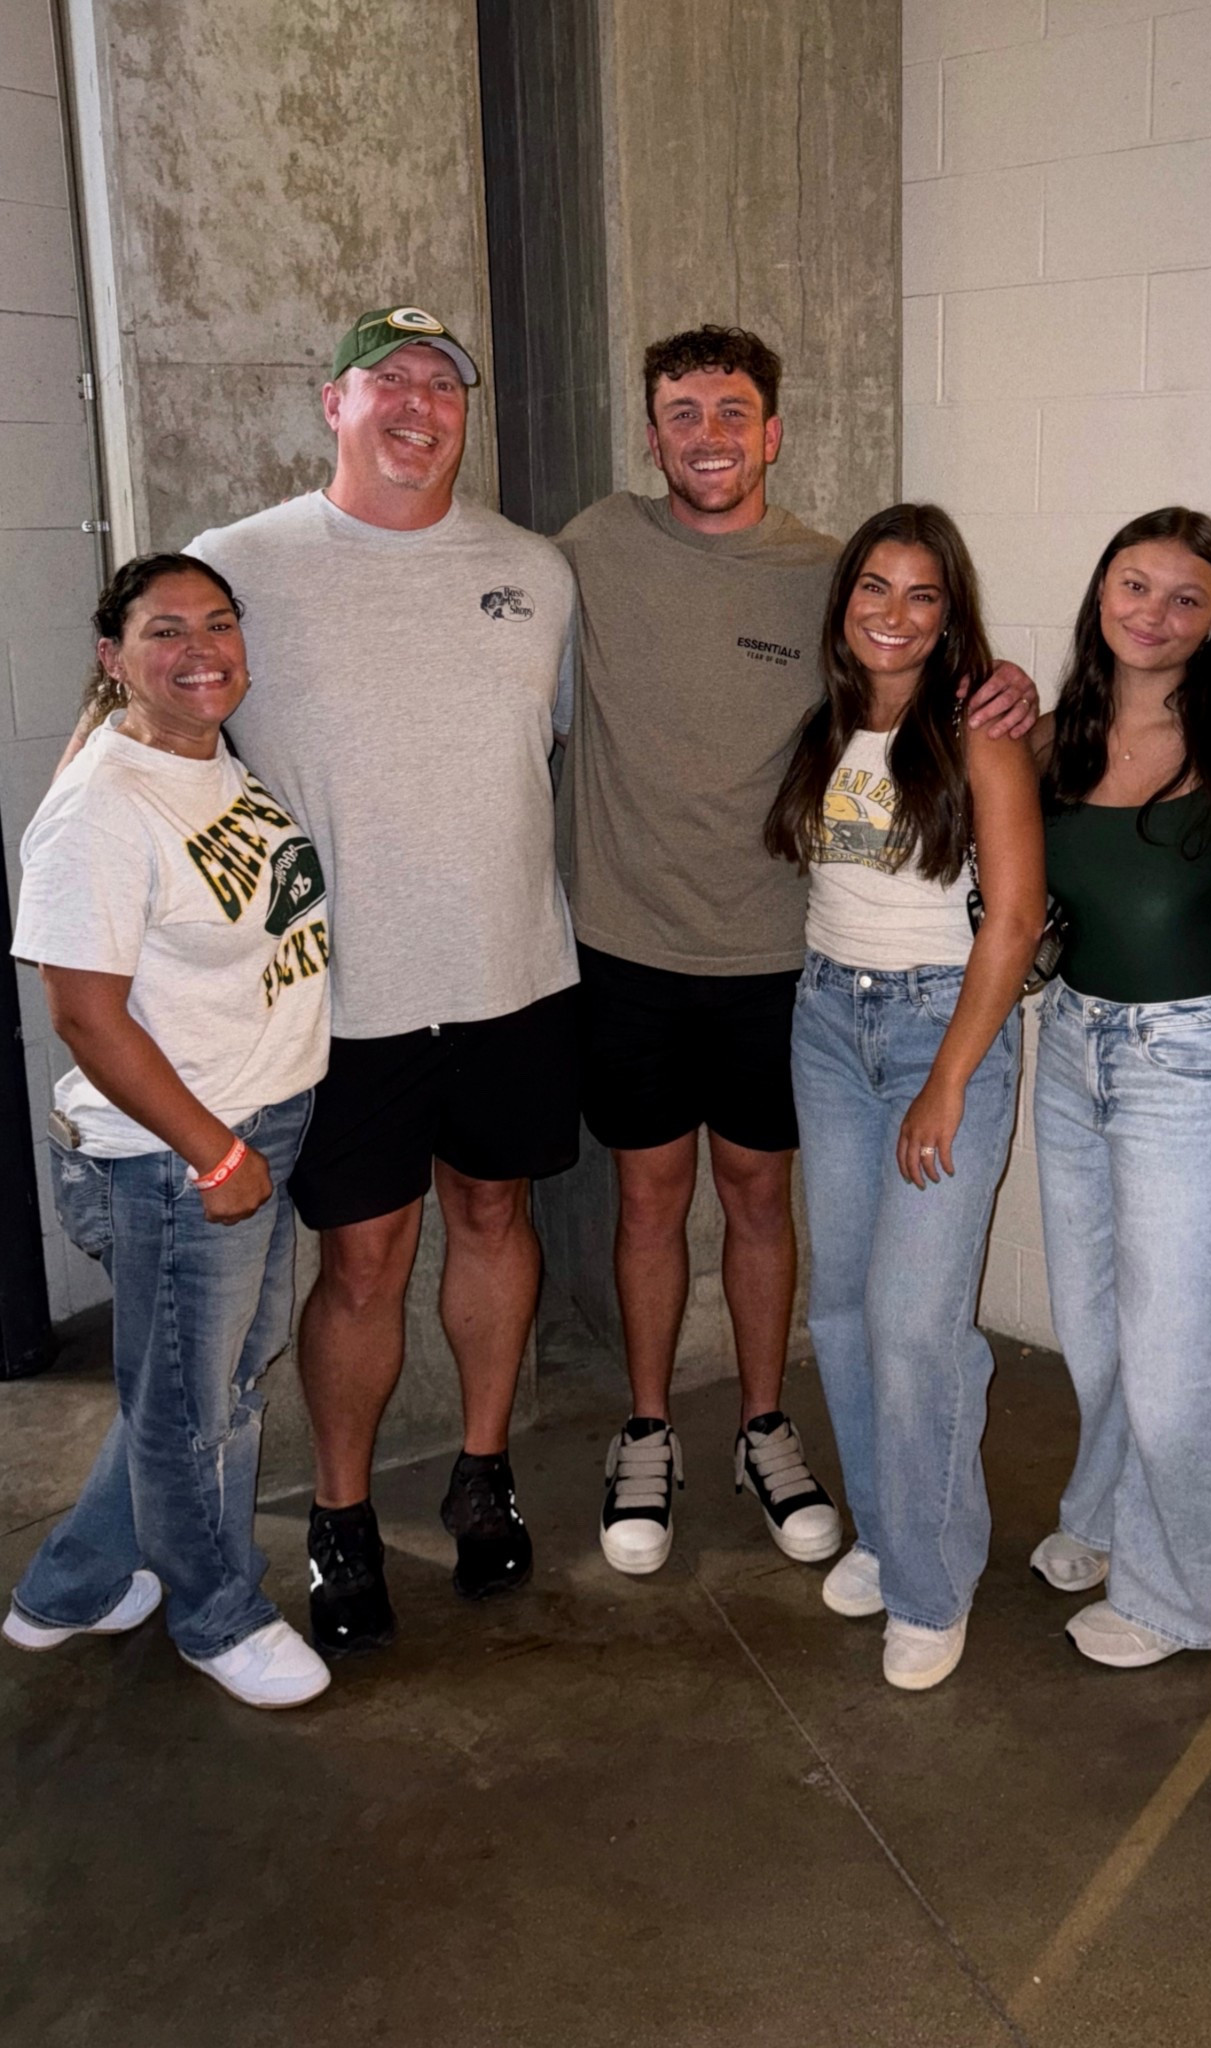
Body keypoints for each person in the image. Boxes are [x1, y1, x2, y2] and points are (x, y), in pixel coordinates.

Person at [556, 325, 1037, 1576]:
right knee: (651, 1198)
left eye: (733, 412)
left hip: (786, 965)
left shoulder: (831, 579)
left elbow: (922, 681)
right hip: (628, 945)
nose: (707, 434)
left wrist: (1009, 692)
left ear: (771, 432)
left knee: (762, 1201)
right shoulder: (594, 548)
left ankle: (764, 1426)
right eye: (682, 412)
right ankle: (650, 1426)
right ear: (650, 430)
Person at [184, 306, 580, 1654]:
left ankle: (483, 1469)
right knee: (361, 1260)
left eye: (443, 381)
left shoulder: (537, 572)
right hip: (336, 1004)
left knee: (493, 1214)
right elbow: (152, 742)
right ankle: (343, 1518)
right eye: (389, 379)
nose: (421, 401)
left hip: (515, 977)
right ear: (330, 402)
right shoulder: (240, 566)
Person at [4, 555, 331, 1709]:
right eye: (164, 631)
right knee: (199, 1407)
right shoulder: (102, 805)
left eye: (219, 623)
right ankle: (216, 1609)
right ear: (113, 656)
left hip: (254, 1120)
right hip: (176, 1155)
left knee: (199, 1382)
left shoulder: (202, 756)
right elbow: (84, 1014)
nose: (202, 649)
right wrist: (216, 1152)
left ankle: (75, 1581)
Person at [766, 503, 1045, 1690]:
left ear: (950, 614)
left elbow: (1017, 919)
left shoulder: (979, 730)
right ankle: (888, 1532)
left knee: (918, 1324)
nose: (893, 613)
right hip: (829, 1020)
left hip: (944, 1024)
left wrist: (948, 1080)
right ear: (844, 606)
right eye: (873, 588)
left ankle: (932, 1586)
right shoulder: (828, 724)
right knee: (840, 1311)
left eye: (921, 594)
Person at [1028, 509, 1211, 1669]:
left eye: (1186, 598)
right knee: (1093, 1324)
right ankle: (1109, 1515)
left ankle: (1190, 1593)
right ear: (1103, 589)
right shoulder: (1046, 743)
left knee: (1180, 1344)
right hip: (1072, 1046)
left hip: (1191, 1055)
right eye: (1136, 585)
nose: (1156, 613)